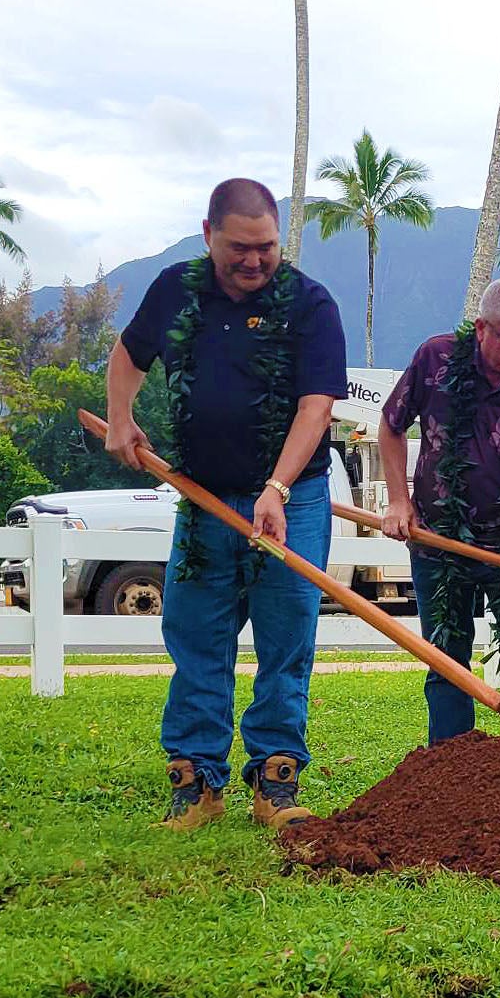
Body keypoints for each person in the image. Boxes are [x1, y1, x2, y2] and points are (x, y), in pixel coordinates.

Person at [104, 178, 346, 830]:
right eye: (239, 246)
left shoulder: (310, 304)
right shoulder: (175, 291)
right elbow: (127, 356)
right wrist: (119, 416)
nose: (253, 260)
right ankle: (197, 784)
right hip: (202, 496)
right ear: (209, 234)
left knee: (286, 636)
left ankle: (276, 778)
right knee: (198, 636)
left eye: (265, 246)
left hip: (293, 501)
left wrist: (277, 487)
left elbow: (316, 406)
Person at [379, 277, 500, 744]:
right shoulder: (435, 359)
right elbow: (391, 427)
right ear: (481, 329)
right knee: (446, 654)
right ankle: (451, 768)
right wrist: (400, 501)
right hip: (436, 540)